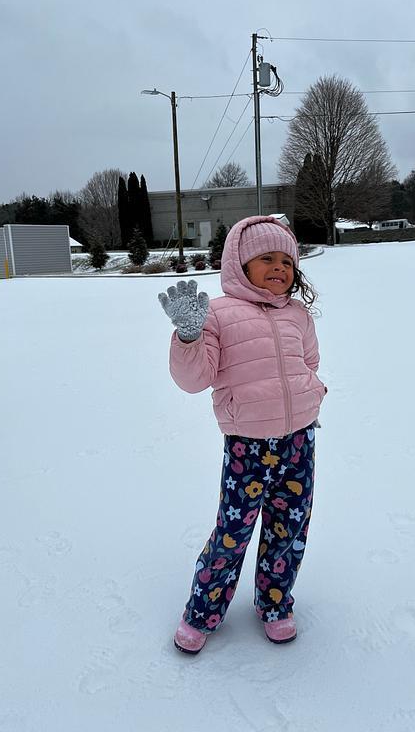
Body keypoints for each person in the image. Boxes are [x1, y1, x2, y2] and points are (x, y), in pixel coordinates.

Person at [158, 215, 327, 654]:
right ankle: (202, 612)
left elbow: (309, 362)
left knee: (288, 529)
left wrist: (312, 392)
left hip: (299, 442)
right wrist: (189, 336)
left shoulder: (298, 314)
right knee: (232, 533)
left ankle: (275, 604)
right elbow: (194, 380)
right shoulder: (219, 313)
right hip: (247, 448)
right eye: (266, 258)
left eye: (287, 260)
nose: (279, 268)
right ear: (239, 263)